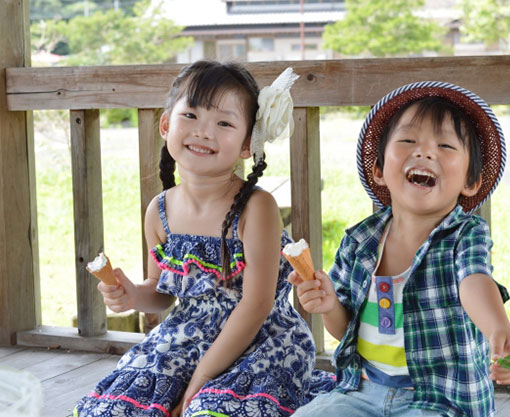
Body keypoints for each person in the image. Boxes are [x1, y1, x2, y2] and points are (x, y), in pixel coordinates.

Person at [74, 60, 335, 417]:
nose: (204, 131)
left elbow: (256, 305)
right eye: (191, 115)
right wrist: (133, 293)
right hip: (185, 339)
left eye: (224, 123)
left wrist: (202, 377)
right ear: (166, 125)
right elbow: (162, 292)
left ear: (247, 144)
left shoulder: (257, 208)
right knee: (117, 409)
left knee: (211, 411)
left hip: (261, 341)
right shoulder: (159, 210)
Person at [289, 81, 510, 417]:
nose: (424, 151)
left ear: (470, 182)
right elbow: (346, 330)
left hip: (440, 400)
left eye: (445, 145)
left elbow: (474, 281)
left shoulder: (464, 235)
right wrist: (329, 306)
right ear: (379, 171)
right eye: (408, 140)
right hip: (362, 392)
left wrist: (498, 329)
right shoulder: (359, 241)